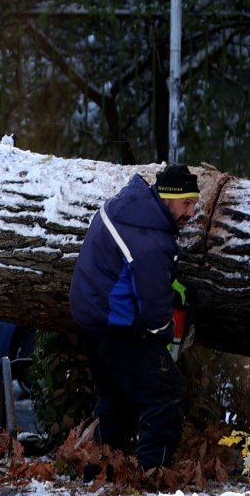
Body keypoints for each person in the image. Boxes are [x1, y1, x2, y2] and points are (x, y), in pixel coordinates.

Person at [68, 163, 202, 470]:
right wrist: (166, 338)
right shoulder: (152, 242)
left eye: (194, 204)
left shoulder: (130, 205)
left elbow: (137, 275)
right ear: (167, 198)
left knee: (117, 399)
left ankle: (99, 473)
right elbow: (155, 314)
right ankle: (152, 477)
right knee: (166, 393)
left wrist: (171, 289)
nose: (191, 213)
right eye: (186, 203)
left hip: (91, 315)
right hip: (114, 325)